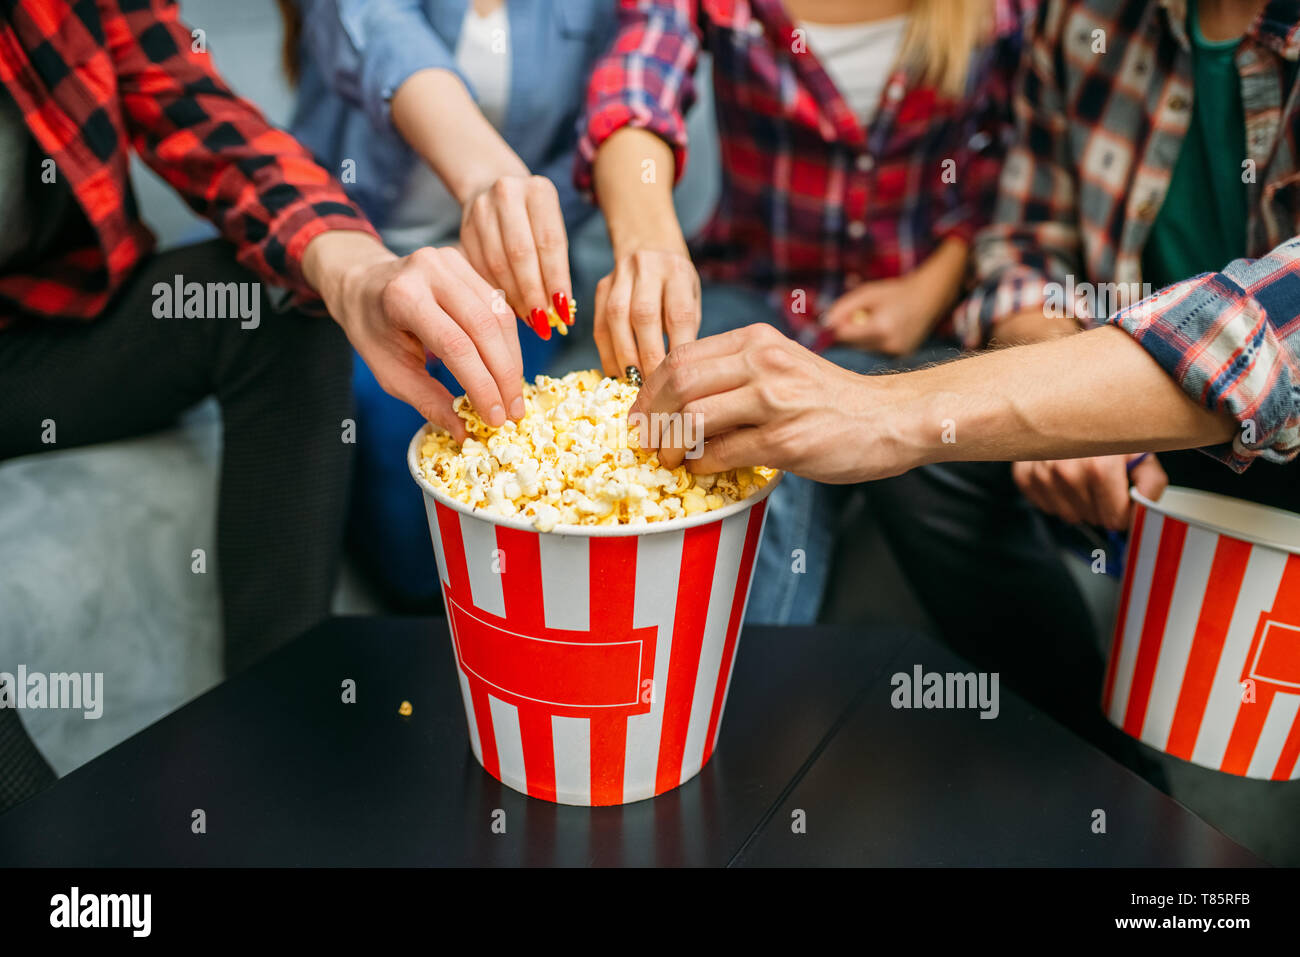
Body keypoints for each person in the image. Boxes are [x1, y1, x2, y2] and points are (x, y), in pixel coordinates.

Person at [0, 0, 526, 810]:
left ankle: (277, 758)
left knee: (281, 298)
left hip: (30, 339)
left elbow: (197, 112)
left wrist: (359, 274)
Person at [565, 0, 1036, 623]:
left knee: (777, 463)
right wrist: (648, 237)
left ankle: (733, 692)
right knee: (660, 422)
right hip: (750, 287)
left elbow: (1009, 158)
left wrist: (933, 287)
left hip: (892, 322)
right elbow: (635, 80)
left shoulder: (1002, 13)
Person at [281, 0, 617, 607]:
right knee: (406, 460)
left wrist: (522, 233)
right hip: (346, 248)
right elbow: (383, 34)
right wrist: (490, 180)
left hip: (495, 279)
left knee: (505, 446)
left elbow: (598, 140)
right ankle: (430, 634)